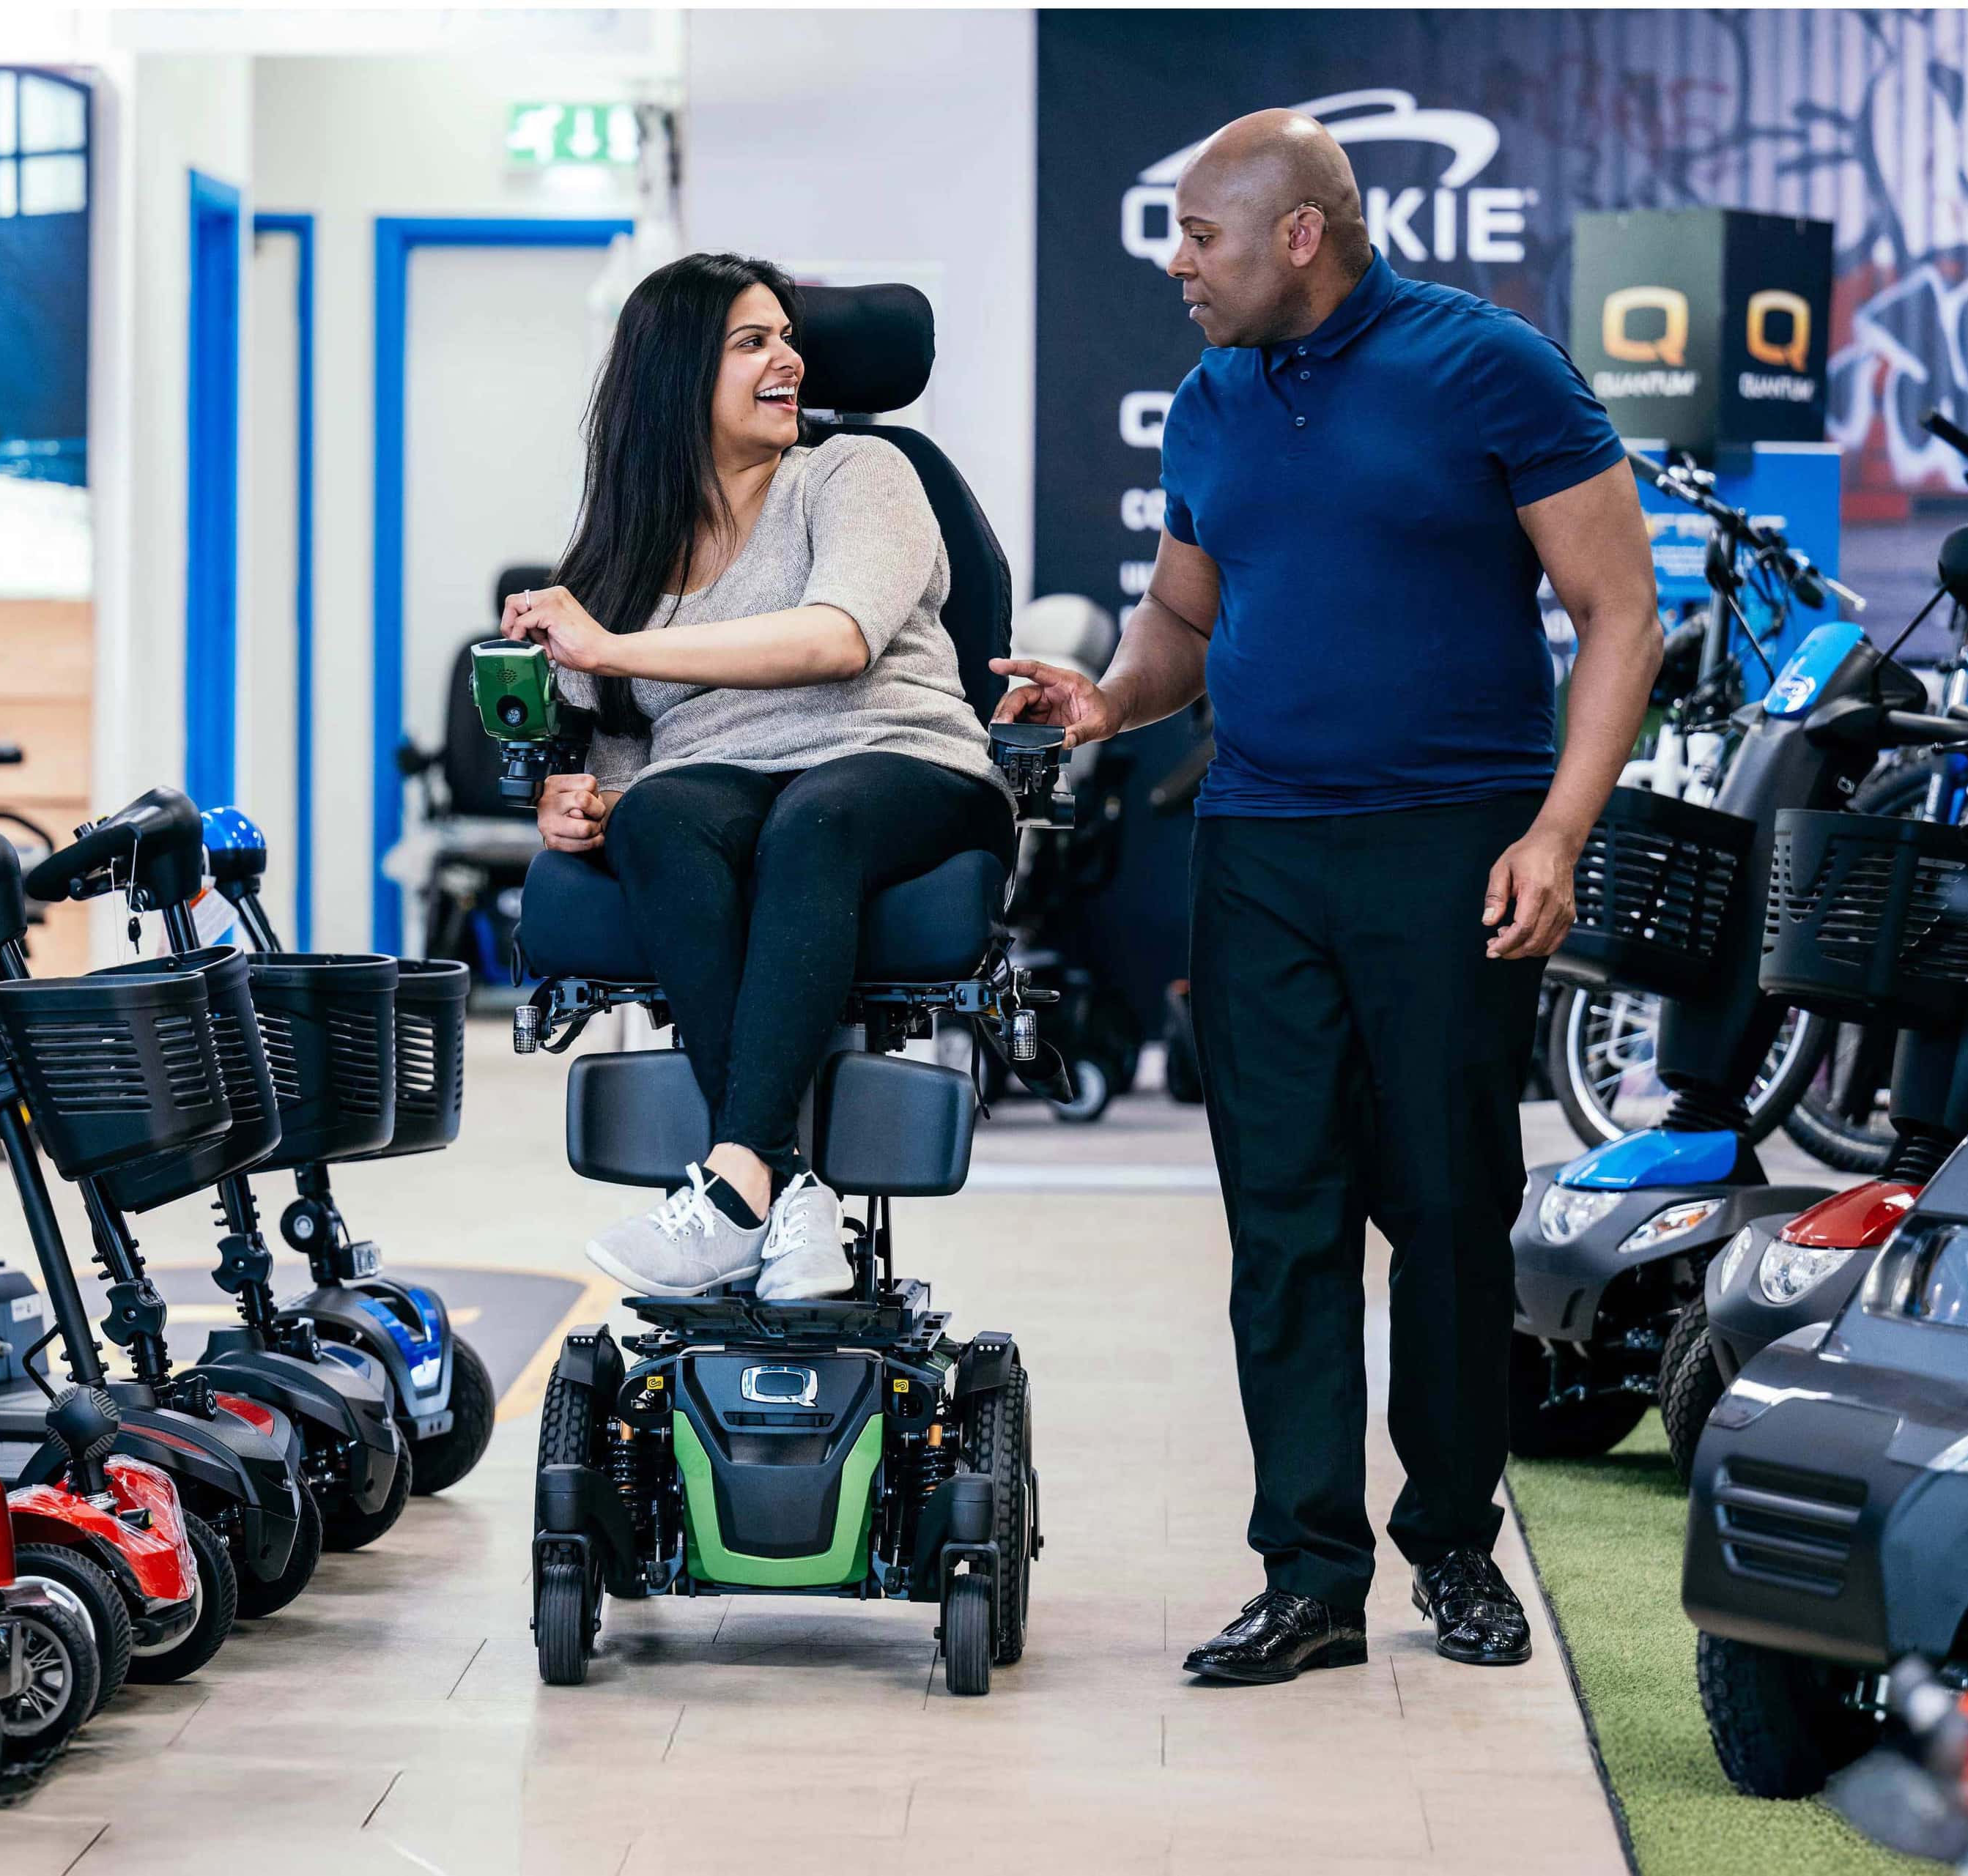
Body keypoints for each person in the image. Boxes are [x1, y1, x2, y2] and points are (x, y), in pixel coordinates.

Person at [997, 110, 1659, 1681]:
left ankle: (1453, 1541)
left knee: (1444, 1206)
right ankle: (1309, 1572)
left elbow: (1620, 609)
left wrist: (1558, 831)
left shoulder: (1488, 365)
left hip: (1455, 839)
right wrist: (1110, 698)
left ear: (1302, 233)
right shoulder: (1214, 403)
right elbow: (1181, 614)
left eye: (1200, 238)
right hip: (1263, 847)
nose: (1177, 267)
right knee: (1280, 1220)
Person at [504, 251, 1012, 1303]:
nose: (788, 360)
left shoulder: (859, 473)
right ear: (680, 373)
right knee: (657, 819)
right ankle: (794, 1201)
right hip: (725, 777)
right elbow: (623, 752)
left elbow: (835, 641)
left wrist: (610, 650)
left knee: (815, 819)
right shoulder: (623, 549)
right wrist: (578, 797)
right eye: (753, 342)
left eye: (787, 338)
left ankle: (734, 1185)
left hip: (897, 758)